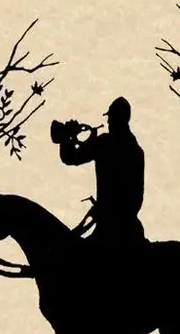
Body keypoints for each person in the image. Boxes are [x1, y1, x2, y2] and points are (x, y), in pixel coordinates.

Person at [51, 96, 146, 249]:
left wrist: (67, 137)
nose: (108, 122)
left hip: (108, 226)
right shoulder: (136, 150)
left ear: (116, 119)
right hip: (130, 225)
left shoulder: (105, 143)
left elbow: (70, 157)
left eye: (111, 118)